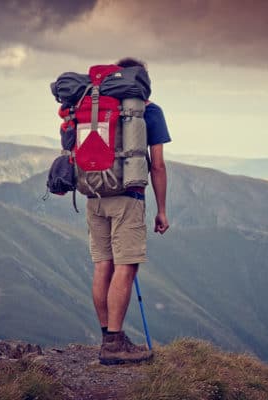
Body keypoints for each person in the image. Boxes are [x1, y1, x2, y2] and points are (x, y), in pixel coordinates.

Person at [87, 57, 171, 365]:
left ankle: (109, 336)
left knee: (103, 265)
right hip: (128, 197)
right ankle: (114, 345)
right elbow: (158, 165)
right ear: (144, 81)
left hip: (94, 193)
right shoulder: (149, 111)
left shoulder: (96, 108)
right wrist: (161, 209)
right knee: (127, 265)